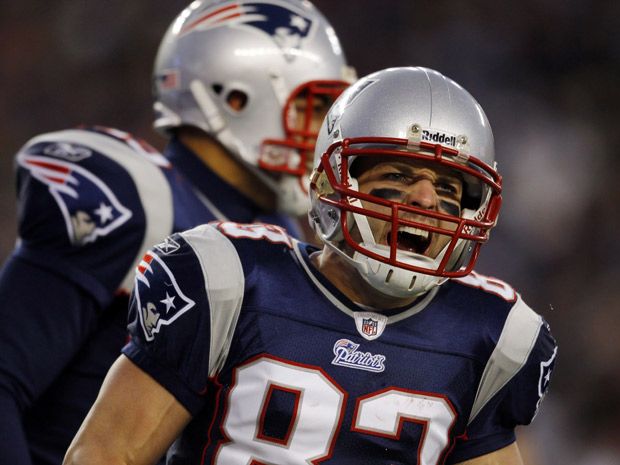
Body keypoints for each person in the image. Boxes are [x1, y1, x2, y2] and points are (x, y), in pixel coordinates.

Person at [63, 67, 557, 465]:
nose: (424, 200)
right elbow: (109, 452)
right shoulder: (231, 281)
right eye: (399, 175)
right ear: (332, 182)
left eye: (448, 189)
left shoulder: (490, 335)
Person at [0, 1, 354, 464]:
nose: (328, 134)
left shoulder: (282, 237)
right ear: (235, 97)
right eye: (315, 108)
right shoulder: (136, 196)